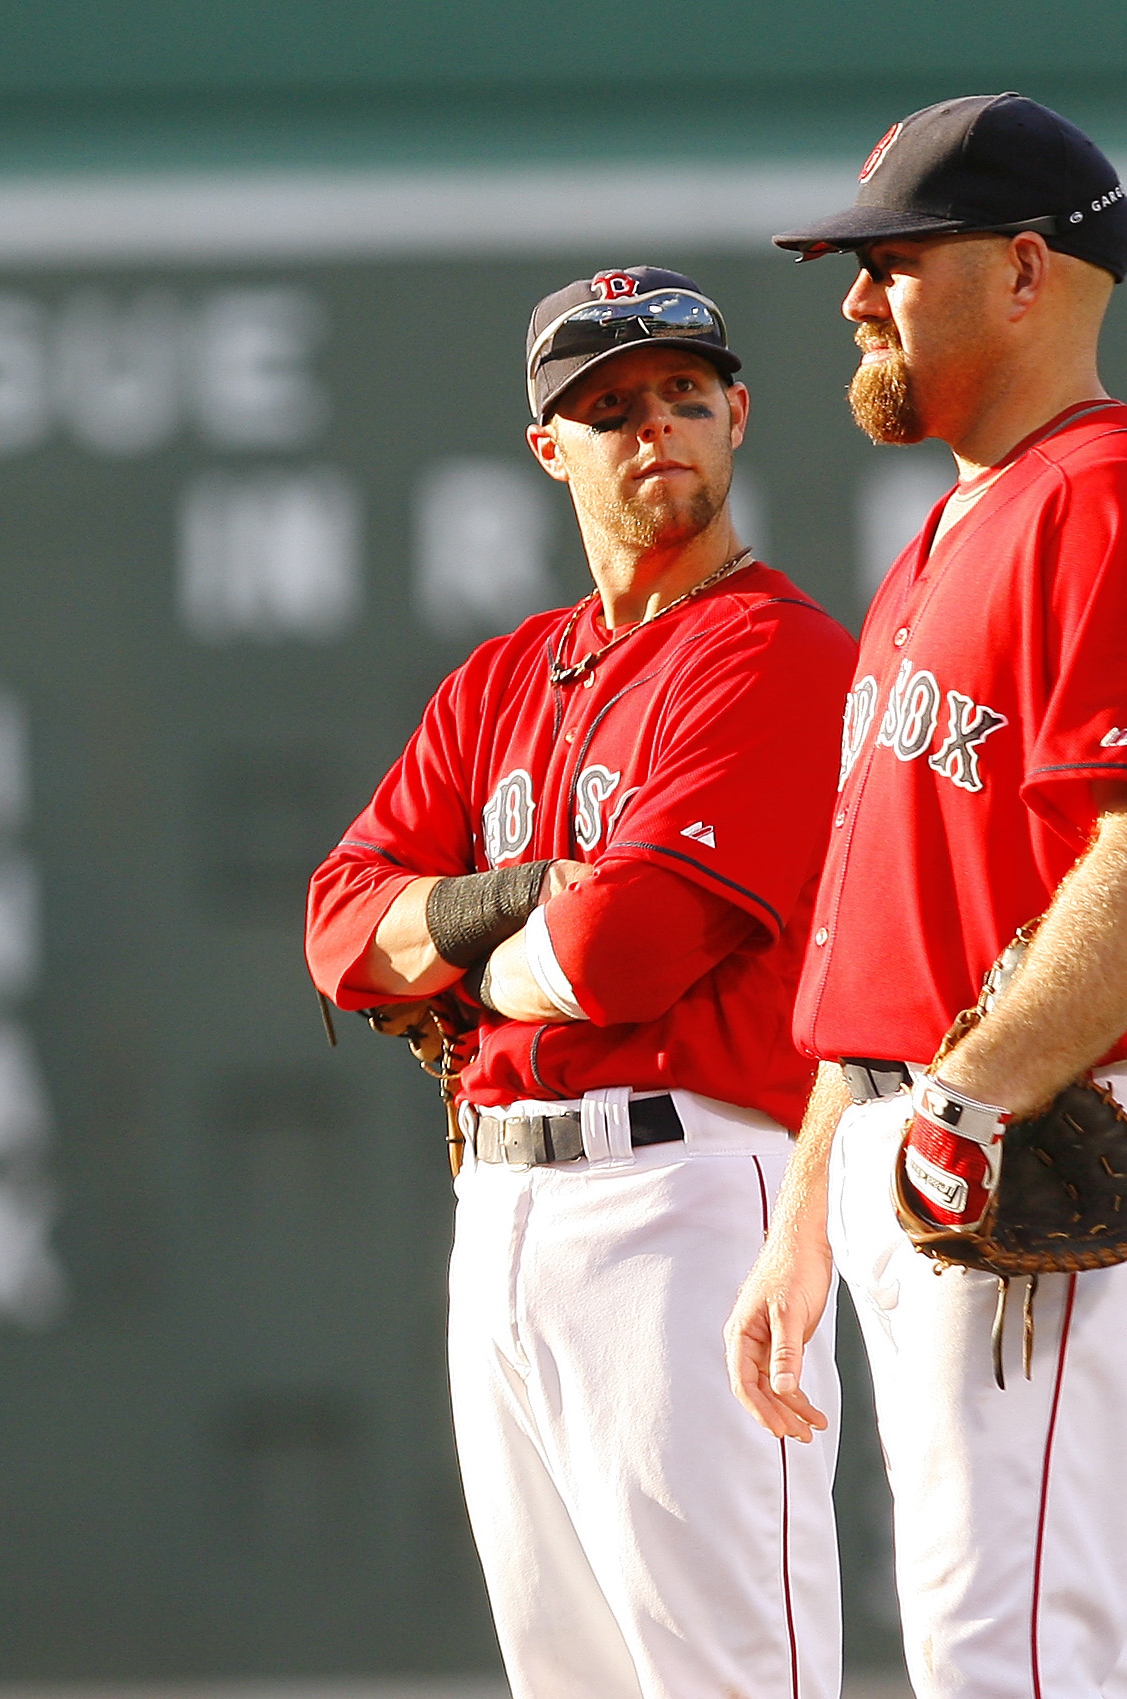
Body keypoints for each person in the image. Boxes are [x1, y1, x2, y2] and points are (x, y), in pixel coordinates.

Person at [724, 95, 1127, 1699]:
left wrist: (968, 1102)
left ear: (1025, 272)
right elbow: (892, 930)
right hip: (933, 1121)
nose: (854, 297)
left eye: (894, 259)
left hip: (1048, 1123)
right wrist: (813, 1204)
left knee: (1018, 1653)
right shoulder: (961, 523)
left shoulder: (1114, 497)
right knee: (987, 1642)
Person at [306, 266, 858, 1699]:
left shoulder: (775, 653)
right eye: (610, 408)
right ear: (551, 448)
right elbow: (338, 933)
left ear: (739, 415)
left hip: (687, 1201)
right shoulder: (502, 679)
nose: (655, 424)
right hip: (499, 1216)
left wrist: (458, 960)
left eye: (685, 393)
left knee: (732, 1678)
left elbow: (620, 954)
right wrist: (523, 896)